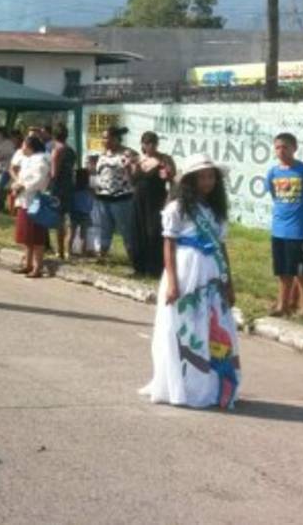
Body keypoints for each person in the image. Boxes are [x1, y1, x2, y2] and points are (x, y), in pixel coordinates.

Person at [140, 154, 240, 410]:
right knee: (185, 325)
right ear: (190, 180)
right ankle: (182, 384)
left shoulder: (215, 211)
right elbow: (169, 245)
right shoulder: (177, 208)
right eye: (202, 177)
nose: (207, 182)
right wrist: (173, 282)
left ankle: (210, 385)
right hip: (186, 269)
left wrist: (229, 282)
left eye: (211, 177)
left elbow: (221, 246)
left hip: (212, 271)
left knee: (211, 327)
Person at [266, 132, 303, 318]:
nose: (281, 151)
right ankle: (283, 306)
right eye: (277, 147)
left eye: (285, 147)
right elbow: (275, 196)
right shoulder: (273, 172)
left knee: (302, 272)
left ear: (294, 148)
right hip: (279, 230)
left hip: (299, 230)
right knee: (283, 271)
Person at [131, 131, 176, 277]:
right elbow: (132, 180)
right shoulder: (138, 159)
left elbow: (172, 179)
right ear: (143, 144)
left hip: (156, 200)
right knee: (139, 232)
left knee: (154, 232)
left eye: (153, 143)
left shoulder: (164, 159)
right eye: (147, 143)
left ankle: (155, 268)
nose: (150, 146)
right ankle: (139, 267)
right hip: (139, 199)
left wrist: (167, 174)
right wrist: (131, 168)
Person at [92, 125, 137, 261]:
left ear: (116, 138)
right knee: (104, 228)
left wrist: (129, 167)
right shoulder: (102, 154)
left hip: (121, 198)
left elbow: (134, 174)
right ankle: (102, 255)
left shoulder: (127, 153)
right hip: (103, 197)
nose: (104, 141)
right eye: (103, 138)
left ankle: (134, 258)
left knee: (126, 229)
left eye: (107, 138)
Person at [11, 135, 53, 278]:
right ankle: (27, 264)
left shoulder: (41, 159)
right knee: (26, 236)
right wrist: (17, 185)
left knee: (36, 236)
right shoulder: (28, 159)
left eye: (24, 145)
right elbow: (22, 177)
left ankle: (38, 267)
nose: (22, 148)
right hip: (24, 201)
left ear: (30, 146)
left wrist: (23, 186)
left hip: (34, 201)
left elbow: (39, 180)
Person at [48, 123, 77, 261]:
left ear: (54, 136)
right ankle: (68, 250)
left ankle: (59, 251)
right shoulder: (71, 151)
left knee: (58, 220)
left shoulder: (57, 151)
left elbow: (54, 173)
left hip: (58, 188)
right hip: (69, 186)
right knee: (69, 219)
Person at [70, 168, 95, 257]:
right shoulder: (90, 189)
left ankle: (68, 251)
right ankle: (83, 252)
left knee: (72, 233)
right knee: (84, 235)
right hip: (85, 213)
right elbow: (92, 199)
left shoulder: (73, 188)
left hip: (74, 212)